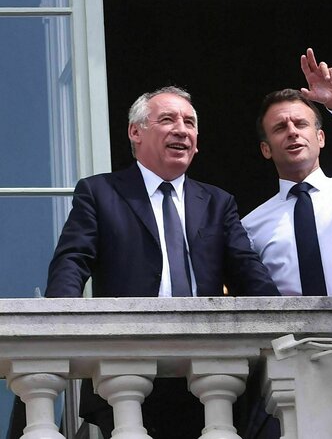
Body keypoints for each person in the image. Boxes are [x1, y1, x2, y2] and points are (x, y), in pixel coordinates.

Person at [36, 86, 279, 439]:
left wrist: (284, 326)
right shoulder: (100, 193)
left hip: (206, 379)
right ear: (136, 132)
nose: (182, 129)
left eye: (190, 122)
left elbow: (248, 272)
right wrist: (57, 325)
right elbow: (73, 262)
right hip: (126, 372)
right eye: (167, 119)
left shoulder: (217, 202)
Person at [242, 48, 332, 297]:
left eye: (301, 123)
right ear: (266, 149)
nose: (293, 132)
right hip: (292, 337)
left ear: (321, 137)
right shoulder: (250, 226)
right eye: (280, 127)